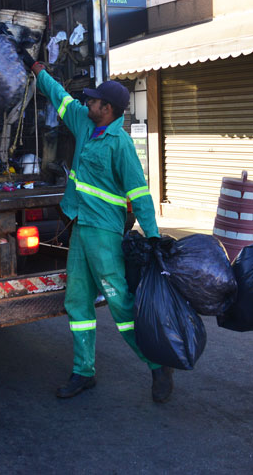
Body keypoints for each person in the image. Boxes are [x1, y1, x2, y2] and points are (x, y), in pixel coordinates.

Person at [27, 60, 174, 403]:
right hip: (80, 228)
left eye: (93, 101)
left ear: (107, 109)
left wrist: (152, 237)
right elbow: (60, 97)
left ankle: (157, 365)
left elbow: (139, 193)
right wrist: (38, 72)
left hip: (105, 234)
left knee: (120, 305)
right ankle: (83, 372)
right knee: (77, 302)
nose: (86, 103)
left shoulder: (119, 144)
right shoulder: (83, 122)